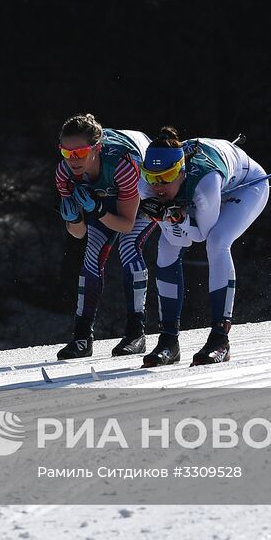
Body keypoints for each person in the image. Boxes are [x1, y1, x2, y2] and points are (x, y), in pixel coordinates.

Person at [136, 127, 269, 367]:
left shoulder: (204, 183)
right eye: (152, 177)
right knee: (166, 246)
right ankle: (168, 341)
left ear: (180, 171)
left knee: (218, 241)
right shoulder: (145, 185)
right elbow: (177, 238)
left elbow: (199, 235)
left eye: (166, 177)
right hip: (208, 188)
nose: (157, 186)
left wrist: (175, 217)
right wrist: (172, 218)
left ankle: (220, 340)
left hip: (247, 185)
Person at [53, 113, 157, 359]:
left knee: (129, 248)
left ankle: (136, 334)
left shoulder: (122, 165)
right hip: (104, 199)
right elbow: (78, 234)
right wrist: (74, 219)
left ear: (96, 148)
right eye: (66, 153)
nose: (72, 160)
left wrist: (96, 210)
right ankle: (82, 337)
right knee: (91, 256)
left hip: (141, 189)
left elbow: (126, 224)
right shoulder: (64, 173)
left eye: (78, 153)